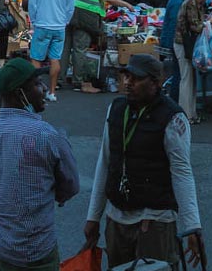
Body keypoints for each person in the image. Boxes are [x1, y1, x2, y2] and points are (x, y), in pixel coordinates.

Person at [83, 54, 205, 270]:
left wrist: (192, 226)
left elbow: (182, 173)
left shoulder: (173, 118)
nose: (128, 83)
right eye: (126, 76)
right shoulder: (116, 109)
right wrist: (93, 216)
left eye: (136, 78)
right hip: (117, 219)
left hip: (155, 221)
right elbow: (105, 162)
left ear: (156, 83)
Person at [0, 57, 80, 270]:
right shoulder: (47, 135)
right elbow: (71, 186)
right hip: (40, 251)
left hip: (6, 251)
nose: (43, 89)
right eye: (36, 84)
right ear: (20, 93)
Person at [66, 0, 134, 94]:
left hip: (66, 12)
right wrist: (125, 4)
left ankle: (60, 79)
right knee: (80, 48)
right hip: (85, 15)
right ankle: (78, 81)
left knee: (65, 47)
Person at [27, 0, 75, 102]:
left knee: (36, 59)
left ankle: (36, 90)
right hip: (59, 26)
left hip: (42, 24)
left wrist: (33, 20)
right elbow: (70, 7)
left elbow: (32, 3)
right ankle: (52, 92)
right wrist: (65, 21)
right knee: (55, 59)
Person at [174, 0, 211, 124]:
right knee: (186, 79)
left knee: (191, 80)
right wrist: (209, 22)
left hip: (189, 43)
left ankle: (192, 113)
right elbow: (195, 25)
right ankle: (185, 115)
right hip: (183, 44)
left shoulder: (197, 3)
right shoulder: (191, 3)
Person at [161, 0, 193, 103]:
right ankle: (175, 102)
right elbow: (178, 24)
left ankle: (176, 102)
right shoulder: (178, 2)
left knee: (178, 72)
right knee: (180, 74)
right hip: (176, 41)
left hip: (174, 39)